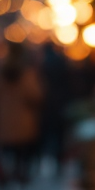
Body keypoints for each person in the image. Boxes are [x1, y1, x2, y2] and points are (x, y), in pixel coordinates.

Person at [0, 41, 43, 190]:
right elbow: (35, 96)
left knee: (6, 152)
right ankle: (19, 176)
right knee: (21, 153)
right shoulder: (27, 74)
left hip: (4, 120)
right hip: (24, 122)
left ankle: (8, 176)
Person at [39, 43, 73, 174]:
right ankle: (58, 160)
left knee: (49, 133)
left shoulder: (44, 64)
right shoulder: (61, 62)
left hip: (48, 104)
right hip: (60, 103)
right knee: (59, 135)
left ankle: (49, 158)